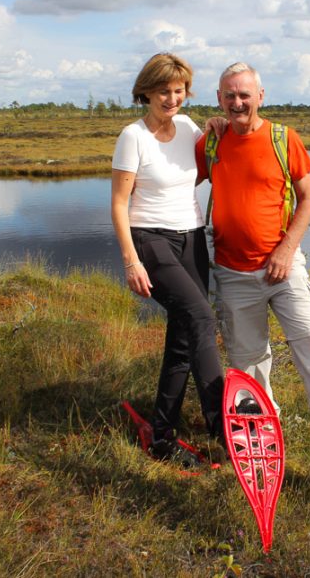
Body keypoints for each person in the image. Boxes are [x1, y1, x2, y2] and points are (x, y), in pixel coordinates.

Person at [196, 62, 310, 443]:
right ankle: (260, 431)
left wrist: (286, 249)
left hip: (284, 265)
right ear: (219, 99)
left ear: (261, 96)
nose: (238, 102)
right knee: (247, 359)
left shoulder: (283, 138)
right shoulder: (211, 142)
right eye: (230, 95)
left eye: (245, 95)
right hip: (232, 271)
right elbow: (173, 179)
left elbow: (308, 198)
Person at [111, 53, 224, 465]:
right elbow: (119, 203)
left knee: (181, 339)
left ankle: (161, 435)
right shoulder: (133, 136)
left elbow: (205, 170)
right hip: (150, 240)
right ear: (146, 92)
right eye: (164, 91)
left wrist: (213, 131)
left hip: (191, 236)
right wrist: (131, 261)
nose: (172, 98)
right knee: (200, 317)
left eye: (179, 91)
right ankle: (220, 425)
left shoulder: (189, 128)